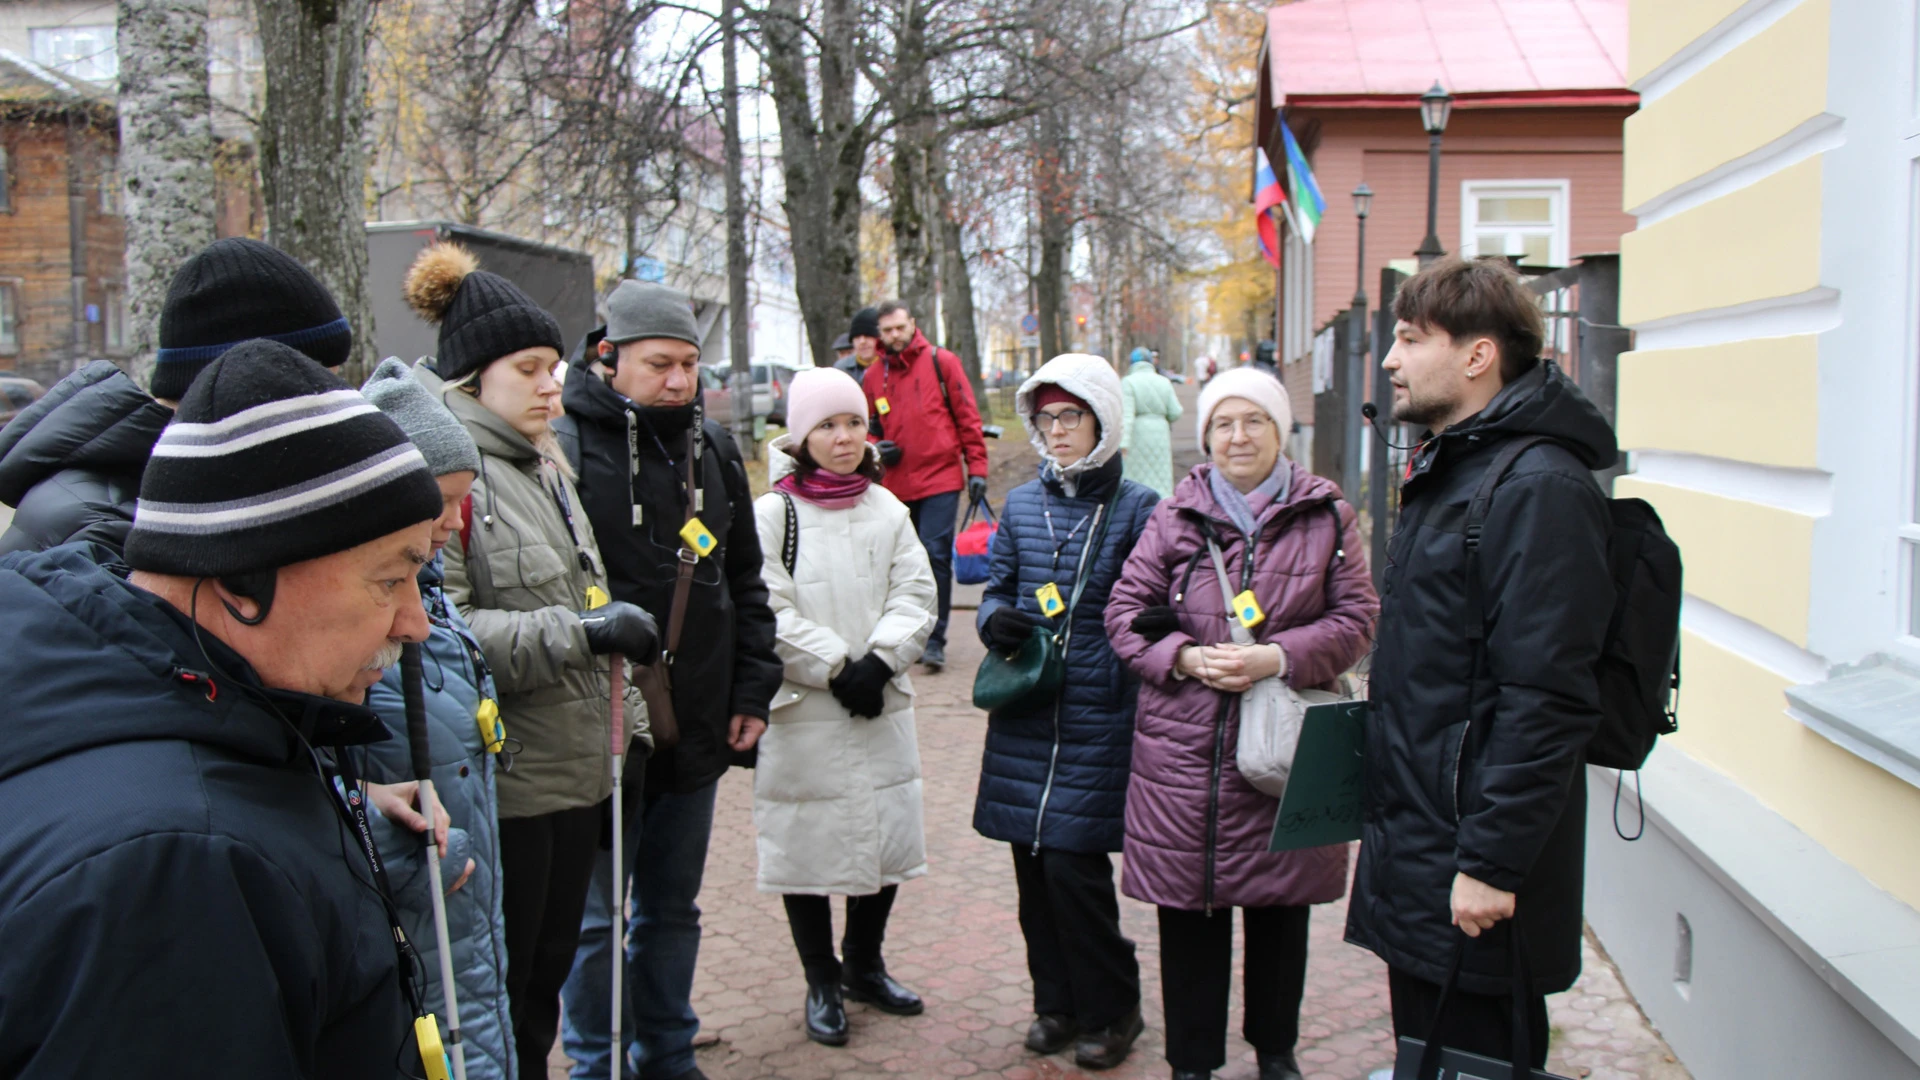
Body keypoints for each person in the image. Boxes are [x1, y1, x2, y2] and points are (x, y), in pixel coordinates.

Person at [0, 339, 445, 1074]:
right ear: (243, 579)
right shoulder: (181, 867)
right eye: (390, 579)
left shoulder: (200, 728)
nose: (415, 622)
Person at [1347, 257, 1615, 1069]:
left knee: (1479, 1056)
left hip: (1471, 865)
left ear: (1477, 355)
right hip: (1424, 842)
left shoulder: (1538, 487)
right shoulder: (1456, 466)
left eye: (1407, 339)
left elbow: (1548, 697)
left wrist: (1491, 864)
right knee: (1430, 1054)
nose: (1390, 361)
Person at [405, 242, 656, 1080]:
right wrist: (582, 635)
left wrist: (635, 722)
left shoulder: (544, 464)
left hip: (576, 767)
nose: (555, 383)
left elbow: (584, 591)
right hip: (506, 782)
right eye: (532, 367)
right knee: (504, 990)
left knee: (543, 980)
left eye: (555, 365)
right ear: (476, 378)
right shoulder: (449, 477)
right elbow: (444, 633)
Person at [1105, 367, 1379, 1080]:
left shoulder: (1327, 516)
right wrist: (1187, 658)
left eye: (1253, 420)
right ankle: (1192, 1062)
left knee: (1281, 917)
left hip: (1284, 750)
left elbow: (1357, 620)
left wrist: (1277, 657)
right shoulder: (1175, 515)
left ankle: (1275, 1052)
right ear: (1205, 436)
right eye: (1223, 423)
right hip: (1183, 755)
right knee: (1189, 917)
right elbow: (1123, 616)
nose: (1238, 436)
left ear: (1280, 430)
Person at [554, 277, 781, 1080]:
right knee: (591, 921)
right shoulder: (562, 445)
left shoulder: (713, 448)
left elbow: (749, 583)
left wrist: (752, 692)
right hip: (598, 728)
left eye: (691, 365)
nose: (680, 382)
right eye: (660, 364)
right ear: (607, 356)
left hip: (697, 722)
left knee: (671, 910)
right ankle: (593, 1063)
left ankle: (668, 1055)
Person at [974, 353, 1160, 1071]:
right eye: (1045, 417)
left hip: (1095, 713)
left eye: (1070, 416)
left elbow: (1154, 608)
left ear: (1103, 419)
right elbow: (996, 589)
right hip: (1025, 709)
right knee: (1031, 873)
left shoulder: (1141, 508)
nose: (1055, 431)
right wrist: (995, 622)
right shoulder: (1021, 504)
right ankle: (1054, 1004)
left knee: (1076, 876)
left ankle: (1114, 1010)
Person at [354, 357, 534, 1080]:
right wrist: (377, 823)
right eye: (443, 502)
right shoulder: (366, 619)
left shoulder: (431, 601)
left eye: (465, 500)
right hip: (415, 922)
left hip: (463, 914)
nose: (458, 522)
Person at [751, 367, 937, 1047]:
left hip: (879, 700)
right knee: (806, 844)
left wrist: (882, 659)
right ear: (801, 435)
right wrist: (837, 667)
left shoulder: (887, 508)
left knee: (883, 836)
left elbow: (916, 593)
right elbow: (766, 608)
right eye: (827, 425)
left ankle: (864, 962)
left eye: (854, 423)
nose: (843, 437)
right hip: (808, 706)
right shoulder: (774, 514)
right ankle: (821, 977)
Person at [0, 237, 353, 555]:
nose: (332, 405)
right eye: (320, 385)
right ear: (250, 384)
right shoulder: (121, 529)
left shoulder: (150, 487)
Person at [859, 299, 989, 672]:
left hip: (941, 477)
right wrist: (874, 447)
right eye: (887, 331)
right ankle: (905, 632)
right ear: (879, 335)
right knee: (900, 561)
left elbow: (967, 417)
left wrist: (977, 469)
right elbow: (864, 426)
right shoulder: (873, 377)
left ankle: (935, 640)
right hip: (896, 483)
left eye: (899, 327)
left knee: (935, 556)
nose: (894, 336)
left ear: (912, 323)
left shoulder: (941, 361)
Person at [1120, 346, 1184, 498]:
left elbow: (1127, 415)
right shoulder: (1164, 382)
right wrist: (1161, 418)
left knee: (1138, 477)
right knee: (1161, 476)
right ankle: (1163, 510)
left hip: (1137, 433)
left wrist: (1123, 444)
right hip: (1160, 432)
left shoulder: (1128, 382)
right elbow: (1176, 411)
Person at [835, 305, 881, 379]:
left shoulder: (892, 367)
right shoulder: (841, 369)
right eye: (857, 337)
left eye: (868, 335)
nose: (862, 341)